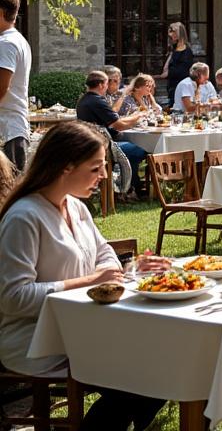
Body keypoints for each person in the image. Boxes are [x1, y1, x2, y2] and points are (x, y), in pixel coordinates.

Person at [0, 122, 171, 427]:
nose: (104, 176)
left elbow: (105, 258)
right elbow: (13, 298)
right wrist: (90, 281)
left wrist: (130, 269)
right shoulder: (24, 218)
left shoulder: (76, 208)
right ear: (66, 167)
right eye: (96, 168)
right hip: (35, 339)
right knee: (147, 375)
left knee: (164, 360)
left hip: (82, 329)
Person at [75, 71, 149, 186]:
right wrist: (138, 117)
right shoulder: (97, 101)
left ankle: (130, 187)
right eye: (106, 83)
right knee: (139, 150)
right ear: (101, 85)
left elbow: (116, 121)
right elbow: (119, 125)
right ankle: (129, 187)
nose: (107, 86)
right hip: (103, 147)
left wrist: (134, 118)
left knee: (134, 146)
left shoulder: (83, 100)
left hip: (90, 143)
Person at [0, 0, 32, 171]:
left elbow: (2, 87)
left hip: (8, 129)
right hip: (12, 127)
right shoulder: (16, 40)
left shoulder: (6, 43)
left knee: (8, 194)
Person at [157, 21, 194, 95]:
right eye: (170, 32)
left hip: (181, 86)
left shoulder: (186, 51)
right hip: (172, 86)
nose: (171, 34)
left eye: (173, 31)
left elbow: (183, 70)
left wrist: (168, 73)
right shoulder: (173, 49)